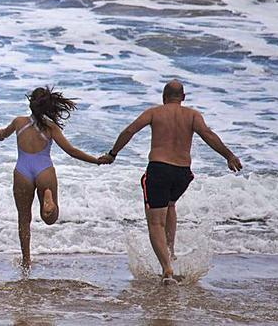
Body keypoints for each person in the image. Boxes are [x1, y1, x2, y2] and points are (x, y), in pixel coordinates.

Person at [99, 80, 242, 284]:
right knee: (170, 204)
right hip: (183, 174)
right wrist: (229, 155)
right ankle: (170, 251)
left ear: (163, 97)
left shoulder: (155, 112)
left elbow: (130, 131)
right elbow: (208, 135)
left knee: (155, 223)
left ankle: (167, 269)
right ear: (183, 97)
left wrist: (113, 153)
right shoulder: (193, 115)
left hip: (160, 169)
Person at [0, 86, 106, 270]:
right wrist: (96, 161)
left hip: (22, 172)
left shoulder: (19, 122)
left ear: (31, 104)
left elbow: (2, 135)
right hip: (44, 170)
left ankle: (26, 260)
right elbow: (71, 151)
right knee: (50, 219)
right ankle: (48, 199)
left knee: (24, 219)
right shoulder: (50, 127)